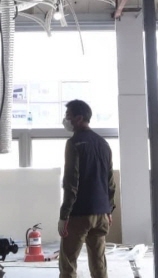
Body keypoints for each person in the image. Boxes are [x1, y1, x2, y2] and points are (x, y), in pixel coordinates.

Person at [58, 100, 115, 278]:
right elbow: (110, 181)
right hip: (101, 214)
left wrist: (64, 215)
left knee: (68, 263)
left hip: (79, 214)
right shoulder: (103, 143)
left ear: (79, 118)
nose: (66, 120)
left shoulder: (74, 143)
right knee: (99, 263)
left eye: (68, 116)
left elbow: (71, 182)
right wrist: (109, 209)